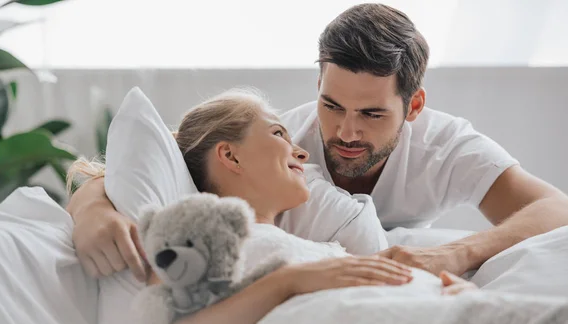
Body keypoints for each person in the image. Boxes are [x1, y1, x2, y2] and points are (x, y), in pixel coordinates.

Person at [67, 3, 568, 285]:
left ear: (413, 107)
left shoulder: (446, 146)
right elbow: (170, 150)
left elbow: (554, 208)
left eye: (372, 114)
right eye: (332, 106)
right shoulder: (282, 143)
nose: (346, 133)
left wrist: (458, 254)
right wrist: (91, 209)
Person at [70, 89, 476, 324]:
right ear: (230, 155)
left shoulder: (313, 244)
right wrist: (285, 282)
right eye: (279, 134)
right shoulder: (204, 236)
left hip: (446, 323)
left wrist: (444, 292)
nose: (301, 152)